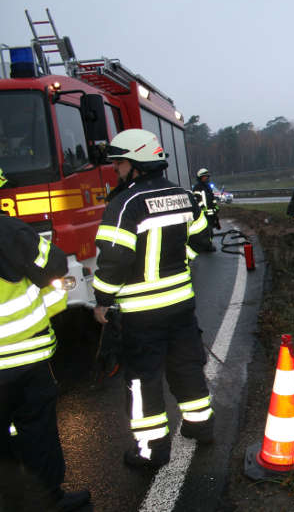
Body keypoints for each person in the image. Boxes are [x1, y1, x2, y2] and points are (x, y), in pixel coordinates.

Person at [91, 129, 214, 469]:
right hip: (181, 306)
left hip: (142, 314)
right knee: (187, 367)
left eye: (119, 162)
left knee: (143, 381)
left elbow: (113, 260)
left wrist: (102, 300)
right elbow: (202, 238)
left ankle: (151, 452)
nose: (116, 169)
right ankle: (201, 426)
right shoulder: (184, 195)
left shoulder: (124, 203)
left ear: (136, 164)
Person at [0, 167, 91, 510]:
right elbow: (53, 263)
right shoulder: (9, 229)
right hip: (24, 357)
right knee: (37, 430)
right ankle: (49, 500)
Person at [192, 168, 219, 252]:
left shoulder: (208, 187)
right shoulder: (197, 187)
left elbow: (212, 199)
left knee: (210, 231)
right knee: (207, 231)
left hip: (210, 214)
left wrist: (216, 207)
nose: (207, 178)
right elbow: (197, 200)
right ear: (200, 177)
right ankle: (207, 247)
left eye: (207, 176)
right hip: (203, 214)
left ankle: (207, 245)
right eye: (205, 176)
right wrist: (202, 208)